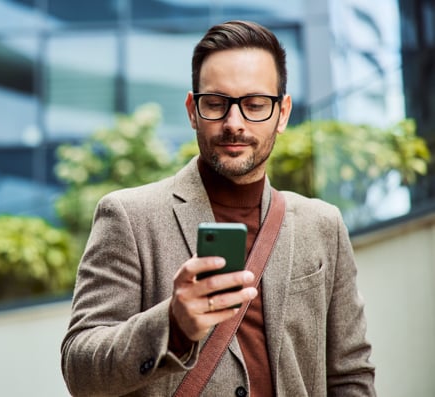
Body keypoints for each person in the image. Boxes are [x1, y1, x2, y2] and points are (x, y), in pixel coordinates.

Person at [60, 20, 376, 396]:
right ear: (193, 110)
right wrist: (172, 325)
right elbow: (79, 369)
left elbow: (350, 374)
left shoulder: (323, 224)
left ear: (283, 113)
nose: (234, 123)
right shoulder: (128, 216)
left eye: (255, 105)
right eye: (216, 104)